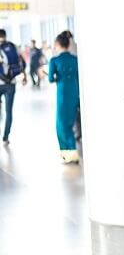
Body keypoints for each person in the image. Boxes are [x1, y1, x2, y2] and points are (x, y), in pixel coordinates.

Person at [48, 32, 80, 163]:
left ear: (57, 44)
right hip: (74, 93)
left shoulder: (54, 61)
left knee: (61, 125)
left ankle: (69, 155)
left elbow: (50, 78)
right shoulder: (75, 59)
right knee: (70, 124)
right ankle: (72, 154)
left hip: (62, 95)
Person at [0, 29, 28, 145]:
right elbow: (23, 63)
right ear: (5, 36)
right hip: (11, 83)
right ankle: (6, 137)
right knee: (9, 111)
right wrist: (25, 76)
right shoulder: (13, 46)